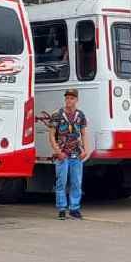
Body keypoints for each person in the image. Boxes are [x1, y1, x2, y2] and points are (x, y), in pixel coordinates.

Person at [48, 88, 91, 220]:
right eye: (67, 98)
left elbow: (83, 133)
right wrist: (57, 151)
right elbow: (51, 135)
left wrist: (85, 149)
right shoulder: (57, 114)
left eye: (72, 98)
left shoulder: (80, 115)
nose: (69, 100)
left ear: (76, 100)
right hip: (62, 153)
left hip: (76, 153)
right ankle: (61, 209)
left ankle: (74, 208)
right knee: (61, 181)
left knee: (76, 182)